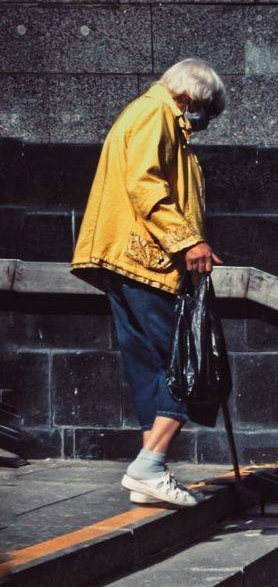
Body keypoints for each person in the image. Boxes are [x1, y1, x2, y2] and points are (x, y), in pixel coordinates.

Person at [71, 59, 226, 508]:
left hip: (127, 261)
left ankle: (150, 470)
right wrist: (188, 240)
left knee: (149, 366)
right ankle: (149, 466)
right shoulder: (155, 113)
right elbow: (146, 184)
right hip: (147, 261)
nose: (205, 120)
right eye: (207, 110)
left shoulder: (148, 115)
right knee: (188, 363)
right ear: (191, 97)